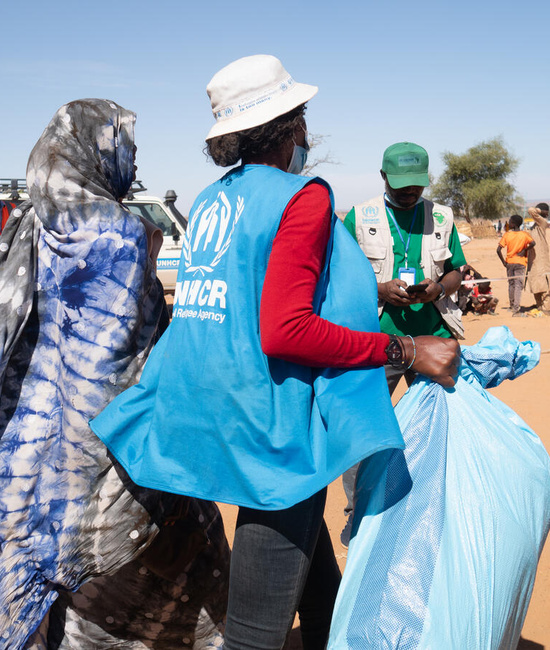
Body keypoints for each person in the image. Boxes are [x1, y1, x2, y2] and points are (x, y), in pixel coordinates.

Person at [90, 56, 460, 650]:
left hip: (211, 409)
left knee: (313, 578)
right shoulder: (303, 197)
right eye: (303, 122)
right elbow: (287, 331)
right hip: (273, 433)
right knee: (254, 635)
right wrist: (406, 348)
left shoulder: (214, 199)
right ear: (291, 127)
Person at [0, 99, 229, 648]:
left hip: (32, 463)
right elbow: (130, 359)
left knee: (61, 593)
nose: (131, 161)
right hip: (113, 458)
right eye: (127, 147)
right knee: (172, 582)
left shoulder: (29, 227)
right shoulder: (120, 235)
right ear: (99, 151)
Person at [340, 141, 466, 546]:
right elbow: (338, 275)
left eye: (416, 186)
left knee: (440, 428)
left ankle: (433, 511)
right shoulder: (361, 217)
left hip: (433, 340)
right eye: (400, 186)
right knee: (366, 428)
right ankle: (358, 514)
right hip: (378, 342)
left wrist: (437, 289)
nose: (410, 193)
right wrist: (378, 289)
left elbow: (456, 271)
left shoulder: (443, 217)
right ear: (383, 178)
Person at [497, 214, 535, 315]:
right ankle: (516, 309)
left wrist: (504, 262)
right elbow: (533, 243)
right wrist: (524, 250)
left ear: (513, 224)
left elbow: (498, 250)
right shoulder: (525, 234)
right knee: (518, 285)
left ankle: (512, 305)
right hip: (521, 263)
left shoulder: (507, 235)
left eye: (510, 221)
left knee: (511, 284)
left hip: (509, 262)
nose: (508, 223)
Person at [526, 203, 550, 313]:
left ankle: (546, 308)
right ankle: (539, 305)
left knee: (544, 284)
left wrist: (540, 211)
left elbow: (531, 210)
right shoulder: (535, 225)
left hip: (541, 259)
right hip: (533, 259)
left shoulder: (542, 223)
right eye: (547, 211)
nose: (548, 213)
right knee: (535, 283)